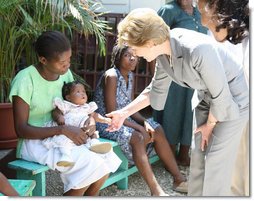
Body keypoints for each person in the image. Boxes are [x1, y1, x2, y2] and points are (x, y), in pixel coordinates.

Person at [105, 8, 249, 196]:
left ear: (149, 43)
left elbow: (221, 96)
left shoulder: (197, 49)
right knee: (198, 158)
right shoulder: (164, 52)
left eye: (135, 48)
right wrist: (123, 113)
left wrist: (210, 125)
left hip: (232, 100)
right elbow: (153, 92)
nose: (135, 54)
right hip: (207, 98)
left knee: (215, 162)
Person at [9, 31, 121, 196]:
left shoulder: (65, 75)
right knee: (89, 162)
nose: (67, 65)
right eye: (62, 62)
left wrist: (90, 119)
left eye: (69, 59)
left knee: (105, 157)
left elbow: (75, 105)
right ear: (43, 60)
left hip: (65, 134)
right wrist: (63, 130)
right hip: (35, 142)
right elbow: (21, 130)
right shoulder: (25, 80)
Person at [94, 45, 188, 196]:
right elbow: (112, 113)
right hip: (105, 123)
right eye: (127, 55)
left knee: (156, 128)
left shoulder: (130, 76)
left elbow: (130, 108)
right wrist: (138, 128)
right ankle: (156, 191)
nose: (133, 59)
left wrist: (144, 123)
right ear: (118, 57)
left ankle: (178, 178)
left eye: (135, 55)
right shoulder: (111, 76)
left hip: (123, 118)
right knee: (137, 137)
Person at [193, 0, 249, 196]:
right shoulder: (219, 30)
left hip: (235, 105)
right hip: (221, 105)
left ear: (217, 6)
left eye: (201, 10)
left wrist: (212, 120)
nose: (200, 20)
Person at [153, 0, 208, 166]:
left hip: (195, 74)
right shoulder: (168, 10)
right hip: (173, 72)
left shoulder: (200, 11)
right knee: (172, 112)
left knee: (189, 112)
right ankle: (169, 158)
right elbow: (156, 41)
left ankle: (184, 155)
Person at [42, 80, 113, 167]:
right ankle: (65, 156)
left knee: (92, 133)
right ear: (68, 97)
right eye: (78, 92)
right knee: (63, 140)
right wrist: (59, 117)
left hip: (83, 130)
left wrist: (105, 120)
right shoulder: (66, 105)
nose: (83, 94)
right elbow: (56, 112)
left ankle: (95, 144)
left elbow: (95, 115)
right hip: (69, 130)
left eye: (83, 91)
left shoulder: (87, 107)